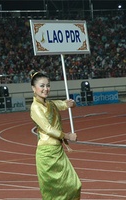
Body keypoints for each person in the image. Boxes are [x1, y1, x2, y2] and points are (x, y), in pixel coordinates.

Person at [30, 72, 82, 200]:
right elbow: (48, 129)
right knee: (54, 193)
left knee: (74, 185)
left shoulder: (49, 104)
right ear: (33, 88)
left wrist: (69, 103)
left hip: (58, 152)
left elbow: (60, 104)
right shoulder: (35, 107)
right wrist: (67, 136)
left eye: (48, 85)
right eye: (41, 86)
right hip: (47, 154)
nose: (45, 89)